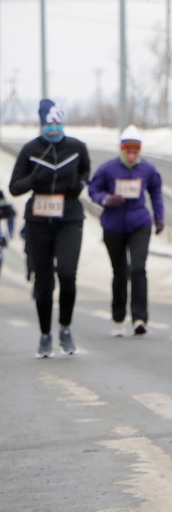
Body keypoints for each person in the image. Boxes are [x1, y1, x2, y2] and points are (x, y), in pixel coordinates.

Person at [9, 99, 91, 358]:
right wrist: (34, 179)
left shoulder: (76, 147)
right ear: (42, 123)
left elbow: (86, 170)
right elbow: (14, 186)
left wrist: (79, 183)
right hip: (39, 221)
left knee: (67, 274)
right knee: (43, 282)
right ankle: (45, 335)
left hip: (68, 218)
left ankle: (65, 328)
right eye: (49, 123)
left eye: (57, 122)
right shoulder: (30, 150)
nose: (53, 127)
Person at [88, 125, 165, 337]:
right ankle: (118, 317)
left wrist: (159, 217)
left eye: (135, 152)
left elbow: (156, 192)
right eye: (127, 151)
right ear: (121, 150)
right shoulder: (107, 169)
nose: (131, 156)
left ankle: (140, 318)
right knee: (120, 272)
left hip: (139, 223)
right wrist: (106, 199)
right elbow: (93, 190)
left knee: (138, 269)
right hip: (113, 226)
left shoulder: (148, 170)